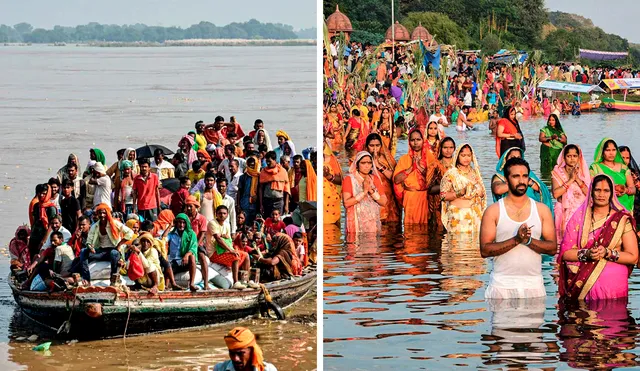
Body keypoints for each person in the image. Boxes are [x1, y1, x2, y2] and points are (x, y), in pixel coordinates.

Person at [480, 157, 556, 299]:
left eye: (525, 176)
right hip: (501, 287)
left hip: (534, 287)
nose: (521, 181)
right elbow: (485, 250)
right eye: (516, 176)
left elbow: (552, 248)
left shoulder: (541, 210)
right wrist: (516, 240)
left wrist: (528, 241)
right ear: (506, 181)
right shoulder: (494, 211)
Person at [558, 174, 639, 301]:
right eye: (598, 190)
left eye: (606, 190)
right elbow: (565, 254)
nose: (602, 194)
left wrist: (608, 253)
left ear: (612, 193)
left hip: (614, 290)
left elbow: (633, 257)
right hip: (581, 289)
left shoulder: (622, 220)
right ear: (591, 192)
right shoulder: (578, 219)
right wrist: (587, 254)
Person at [393, 128, 439, 225]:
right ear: (409, 142)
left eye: (418, 139)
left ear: (423, 140)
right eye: (413, 140)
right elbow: (396, 180)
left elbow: (434, 180)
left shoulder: (430, 158)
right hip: (410, 197)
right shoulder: (404, 159)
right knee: (409, 229)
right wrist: (411, 168)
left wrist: (420, 168)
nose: (416, 142)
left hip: (425, 197)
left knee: (425, 228)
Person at [80, 203, 134, 286]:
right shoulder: (95, 226)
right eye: (100, 213)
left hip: (113, 250)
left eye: (104, 213)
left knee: (114, 253)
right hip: (101, 251)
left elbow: (130, 233)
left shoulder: (115, 223)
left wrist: (119, 244)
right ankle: (86, 279)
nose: (102, 215)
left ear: (108, 213)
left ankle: (113, 279)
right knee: (83, 251)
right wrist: (90, 247)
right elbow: (89, 241)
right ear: (97, 214)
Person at [440, 144, 486, 233]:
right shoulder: (451, 173)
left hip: (474, 216)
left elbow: (483, 194)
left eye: (469, 155)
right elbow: (443, 196)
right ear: (457, 156)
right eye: (463, 155)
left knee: (474, 245)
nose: (466, 158)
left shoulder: (474, 173)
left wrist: (479, 193)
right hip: (458, 217)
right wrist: (460, 193)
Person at [492, 147, 554, 213]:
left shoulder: (529, 174)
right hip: (510, 210)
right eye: (512, 157)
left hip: (531, 210)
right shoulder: (500, 175)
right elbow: (498, 190)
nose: (515, 160)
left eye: (518, 157)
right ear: (505, 159)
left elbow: (541, 189)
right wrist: (522, 183)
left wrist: (529, 183)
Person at [207, 205, 255, 290]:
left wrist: (232, 249)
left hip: (224, 251)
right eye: (220, 213)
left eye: (224, 213)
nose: (222, 215)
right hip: (214, 253)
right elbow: (218, 239)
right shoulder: (212, 223)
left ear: (227, 214)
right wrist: (231, 250)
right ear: (216, 214)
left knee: (246, 255)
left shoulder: (227, 225)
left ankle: (247, 281)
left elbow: (228, 240)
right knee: (235, 256)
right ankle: (235, 282)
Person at [552, 145, 590, 243]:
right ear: (564, 158)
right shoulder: (557, 172)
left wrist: (577, 179)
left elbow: (589, 193)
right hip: (564, 211)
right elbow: (555, 194)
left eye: (575, 156)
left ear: (579, 157)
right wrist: (570, 180)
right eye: (569, 156)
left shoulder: (583, 172)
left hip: (581, 211)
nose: (572, 159)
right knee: (564, 242)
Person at [343, 151, 387, 234]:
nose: (367, 166)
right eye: (363, 163)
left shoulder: (375, 179)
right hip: (355, 222)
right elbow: (346, 203)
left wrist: (371, 191)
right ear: (357, 164)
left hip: (372, 221)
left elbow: (383, 202)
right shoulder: (349, 179)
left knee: (372, 244)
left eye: (369, 163)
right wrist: (363, 192)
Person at [589, 138, 636, 212]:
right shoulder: (595, 168)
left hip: (624, 205)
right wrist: (610, 190)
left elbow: (633, 188)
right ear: (602, 152)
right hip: (605, 206)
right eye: (608, 150)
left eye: (614, 150)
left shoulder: (624, 168)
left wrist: (625, 190)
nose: (611, 153)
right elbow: (591, 188)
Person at [365, 133, 399, 223]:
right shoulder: (361, 160)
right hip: (369, 199)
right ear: (367, 146)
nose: (375, 148)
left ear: (381, 145)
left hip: (387, 199)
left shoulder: (387, 159)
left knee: (389, 228)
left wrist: (378, 166)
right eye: (372, 146)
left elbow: (394, 178)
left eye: (377, 145)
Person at [167, 213, 200, 292]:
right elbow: (163, 239)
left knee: (192, 257)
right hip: (174, 261)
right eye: (179, 222)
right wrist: (170, 226)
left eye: (183, 222)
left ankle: (191, 284)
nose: (181, 225)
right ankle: (170, 285)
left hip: (185, 261)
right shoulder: (172, 234)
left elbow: (193, 247)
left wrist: (186, 255)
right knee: (166, 264)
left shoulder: (191, 234)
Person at [28, 184, 57, 259]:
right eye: (40, 193)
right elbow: (34, 222)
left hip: (44, 237)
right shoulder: (36, 206)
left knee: (40, 258)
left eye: (44, 193)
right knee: (32, 256)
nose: (41, 195)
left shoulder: (51, 208)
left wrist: (44, 240)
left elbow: (51, 225)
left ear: (47, 194)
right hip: (34, 236)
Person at [258, 151, 290, 217]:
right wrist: (261, 204)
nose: (268, 163)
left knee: (278, 222)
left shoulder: (282, 171)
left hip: (279, 201)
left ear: (275, 160)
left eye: (269, 161)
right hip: (267, 201)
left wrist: (286, 205)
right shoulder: (263, 172)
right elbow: (260, 189)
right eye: (267, 161)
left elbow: (286, 190)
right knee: (267, 221)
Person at [132, 158, 161, 222]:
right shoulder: (137, 179)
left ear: (149, 167)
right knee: (142, 225)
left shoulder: (154, 177)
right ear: (139, 167)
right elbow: (134, 194)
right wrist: (134, 208)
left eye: (145, 167)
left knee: (153, 225)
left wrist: (159, 206)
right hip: (141, 207)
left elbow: (157, 192)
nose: (144, 169)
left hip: (152, 206)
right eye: (142, 167)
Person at [619, 146, 640, 228]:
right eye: (622, 157)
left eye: (627, 158)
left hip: (635, 204)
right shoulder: (613, 173)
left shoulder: (632, 172)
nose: (625, 160)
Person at [323, 142, 343, 225]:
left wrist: (329, 176)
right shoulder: (312, 162)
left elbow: (341, 181)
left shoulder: (331, 160)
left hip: (331, 203)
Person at [237, 156, 260, 226]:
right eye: (249, 165)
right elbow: (239, 191)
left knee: (254, 223)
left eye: (253, 165)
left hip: (255, 203)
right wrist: (238, 204)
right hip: (245, 202)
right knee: (244, 222)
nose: (251, 167)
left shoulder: (259, 176)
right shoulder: (243, 177)